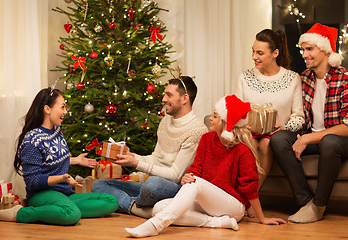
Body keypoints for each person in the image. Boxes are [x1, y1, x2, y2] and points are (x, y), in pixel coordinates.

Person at [125, 95, 286, 238]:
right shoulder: (207, 139)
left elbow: (250, 188)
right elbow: (197, 167)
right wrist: (189, 175)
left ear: (226, 122)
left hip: (233, 206)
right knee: (158, 208)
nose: (210, 118)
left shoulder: (242, 151)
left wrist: (262, 218)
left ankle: (155, 226)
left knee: (195, 183)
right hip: (207, 202)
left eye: (215, 116)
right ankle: (215, 222)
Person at [0, 88, 118, 225]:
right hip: (42, 194)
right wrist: (62, 178)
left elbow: (52, 159)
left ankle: (59, 209)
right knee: (72, 215)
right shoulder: (32, 140)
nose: (65, 112)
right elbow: (32, 180)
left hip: (64, 193)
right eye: (62, 107)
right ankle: (19, 213)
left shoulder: (56, 130)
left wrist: (75, 160)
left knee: (111, 201)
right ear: (47, 109)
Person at [91, 75, 208, 218]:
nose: (164, 99)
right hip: (152, 186)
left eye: (169, 95)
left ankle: (132, 204)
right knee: (99, 185)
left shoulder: (196, 130)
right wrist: (133, 157)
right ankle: (137, 208)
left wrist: (136, 163)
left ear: (184, 99)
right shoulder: (166, 121)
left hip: (175, 188)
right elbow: (156, 158)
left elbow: (175, 176)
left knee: (153, 185)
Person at [270, 23, 348, 223]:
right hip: (313, 136)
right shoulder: (304, 78)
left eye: (309, 49)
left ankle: (319, 205)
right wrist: (285, 126)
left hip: (339, 140)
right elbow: (299, 116)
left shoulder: (345, 78)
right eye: (302, 49)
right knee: (279, 139)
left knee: (329, 141)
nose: (304, 54)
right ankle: (306, 201)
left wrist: (308, 138)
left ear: (324, 49)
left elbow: (347, 125)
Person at [236, 29, 305, 191]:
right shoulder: (244, 77)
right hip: (249, 131)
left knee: (267, 144)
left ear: (275, 53)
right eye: (253, 51)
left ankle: (254, 194)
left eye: (260, 53)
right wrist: (245, 126)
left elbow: (299, 117)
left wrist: (284, 128)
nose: (254, 57)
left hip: (275, 135)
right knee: (250, 142)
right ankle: (243, 195)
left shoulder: (292, 78)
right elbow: (237, 110)